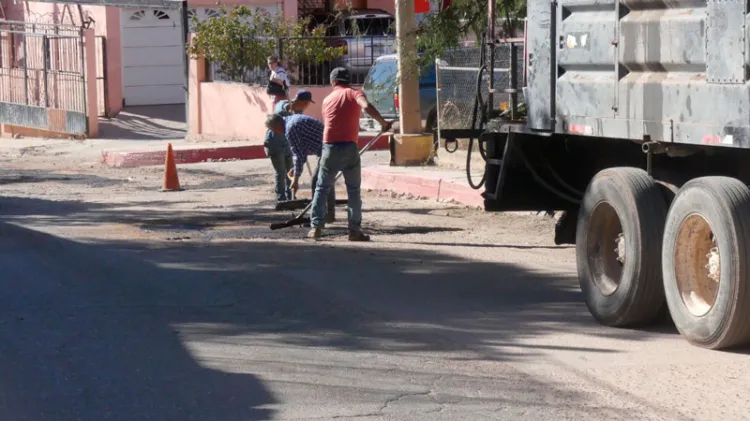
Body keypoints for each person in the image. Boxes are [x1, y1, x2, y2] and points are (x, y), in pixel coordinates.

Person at [307, 67, 392, 242]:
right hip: (349, 147)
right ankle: (354, 231)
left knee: (322, 188)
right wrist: (383, 123)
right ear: (348, 80)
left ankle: (316, 228)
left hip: (329, 147)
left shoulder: (327, 99)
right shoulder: (354, 93)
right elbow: (366, 106)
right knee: (353, 191)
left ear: (333, 82)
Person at [265, 114, 336, 223]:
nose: (274, 133)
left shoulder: (290, 129)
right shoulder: (291, 120)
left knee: (317, 181)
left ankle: (318, 218)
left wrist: (295, 180)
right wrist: (296, 169)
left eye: (272, 130)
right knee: (326, 180)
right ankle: (328, 215)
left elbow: (298, 155)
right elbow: (301, 153)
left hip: (328, 149)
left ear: (277, 126)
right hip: (329, 147)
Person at [264, 119, 293, 206]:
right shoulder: (271, 133)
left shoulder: (288, 121)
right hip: (276, 150)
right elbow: (268, 145)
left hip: (288, 148)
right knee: (280, 173)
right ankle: (281, 199)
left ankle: (291, 197)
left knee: (290, 173)